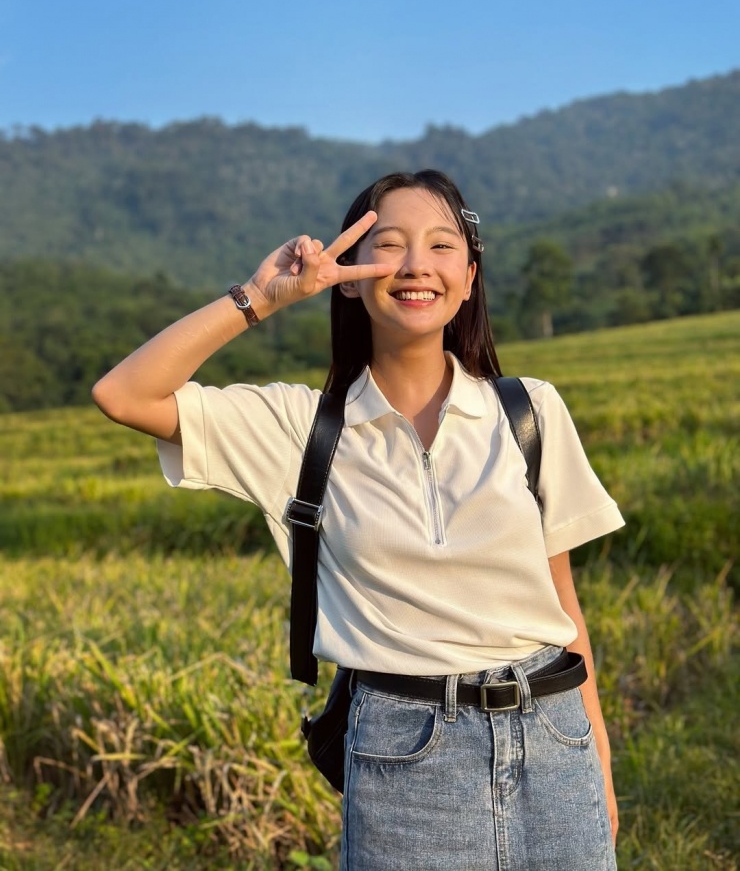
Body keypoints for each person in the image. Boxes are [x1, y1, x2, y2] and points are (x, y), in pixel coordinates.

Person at [93, 169, 623, 871]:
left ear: (468, 275)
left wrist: (602, 781)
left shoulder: (530, 412)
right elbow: (124, 393)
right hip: (406, 757)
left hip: (555, 744)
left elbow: (566, 611)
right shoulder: (299, 426)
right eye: (389, 245)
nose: (414, 266)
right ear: (348, 277)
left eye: (441, 246)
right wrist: (262, 296)